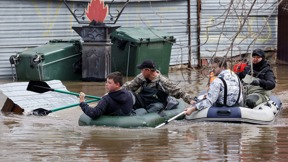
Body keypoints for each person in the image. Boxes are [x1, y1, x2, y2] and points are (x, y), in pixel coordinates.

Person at [122, 60, 194, 113]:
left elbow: (178, 91)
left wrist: (190, 100)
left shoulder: (163, 81)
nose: (141, 72)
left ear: (148, 70)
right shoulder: (141, 77)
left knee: (156, 107)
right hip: (143, 100)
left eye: (142, 70)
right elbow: (129, 86)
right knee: (129, 94)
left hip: (156, 103)